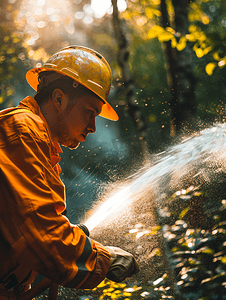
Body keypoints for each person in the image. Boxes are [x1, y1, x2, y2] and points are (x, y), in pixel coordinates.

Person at [0, 46, 139, 299]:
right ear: (59, 98)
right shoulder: (21, 130)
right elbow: (40, 233)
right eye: (90, 112)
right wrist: (102, 260)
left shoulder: (40, 144)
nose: (93, 127)